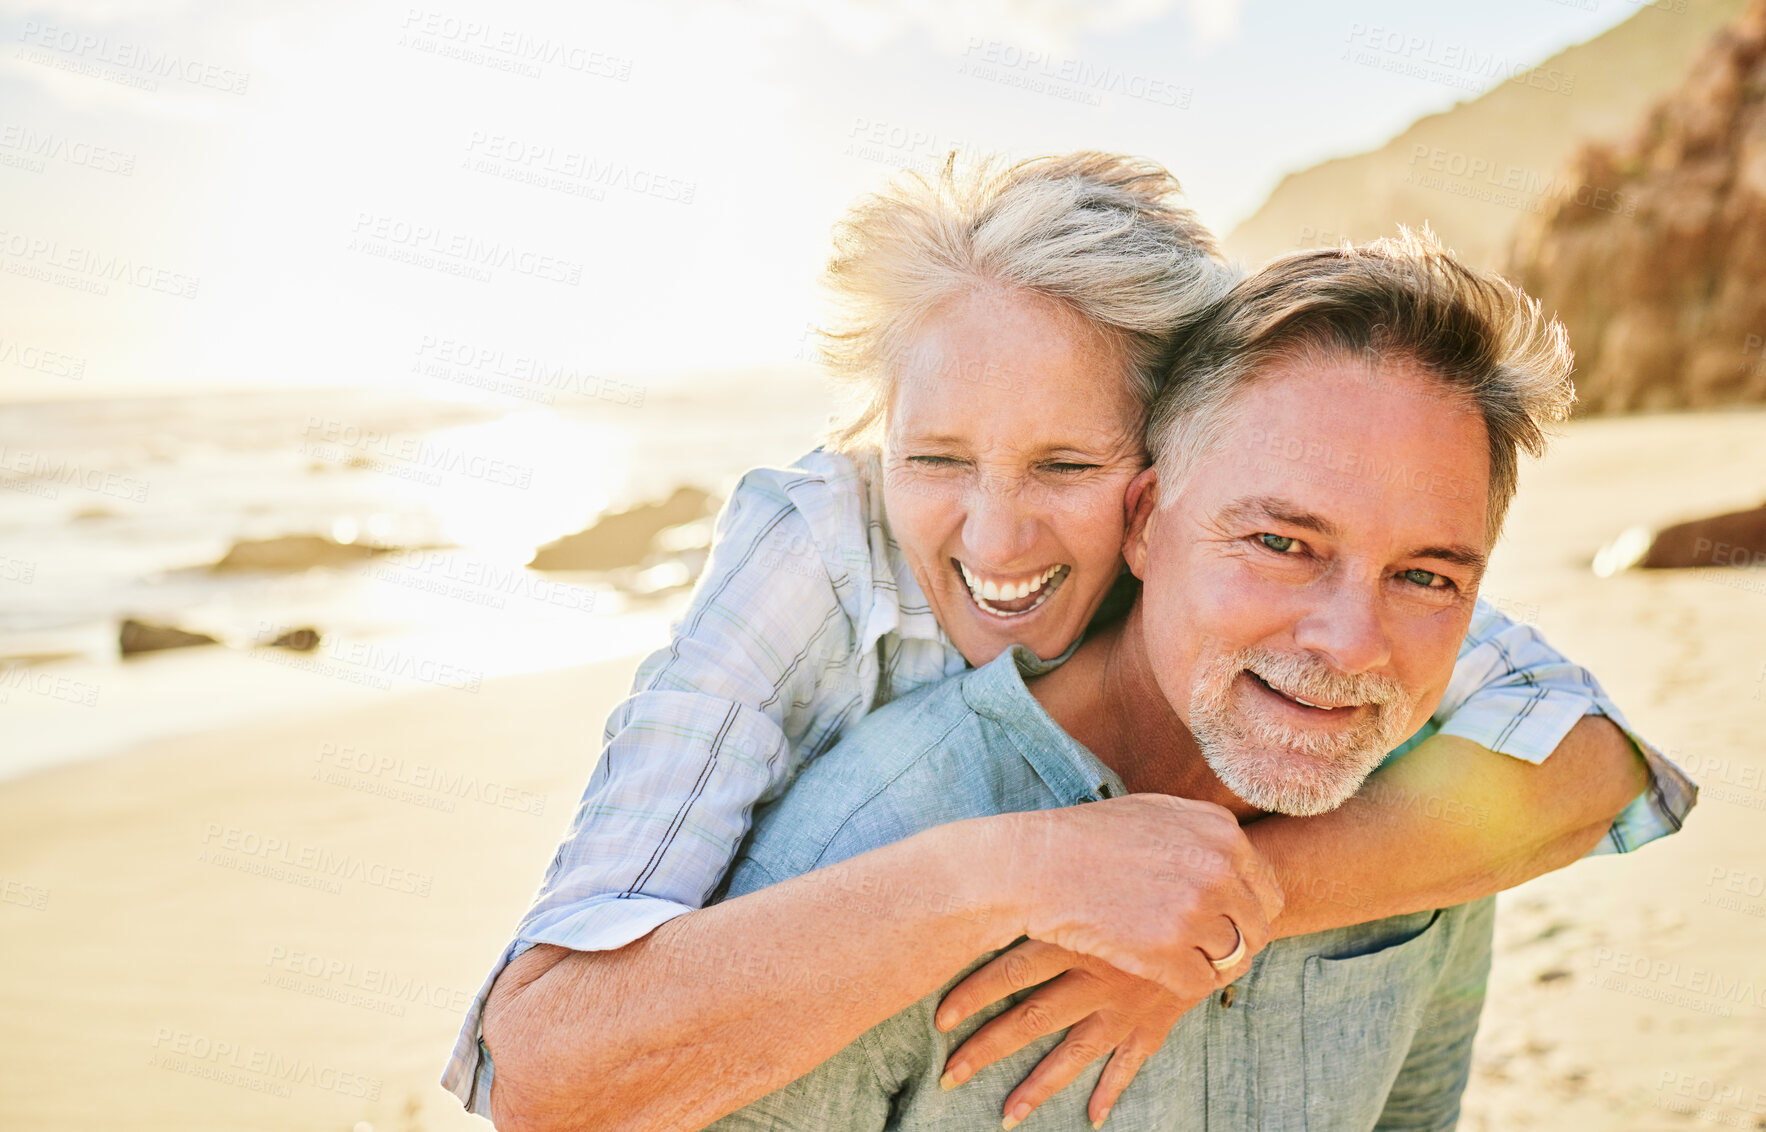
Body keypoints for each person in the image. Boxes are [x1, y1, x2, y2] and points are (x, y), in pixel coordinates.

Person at [444, 155, 1693, 1131]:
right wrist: (1010, 872)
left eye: (1066, 462)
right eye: (933, 457)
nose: (993, 534)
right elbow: (547, 1074)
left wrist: (1227, 915)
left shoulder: (1352, 651)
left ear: (1151, 479)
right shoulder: (821, 572)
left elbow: (1590, 765)